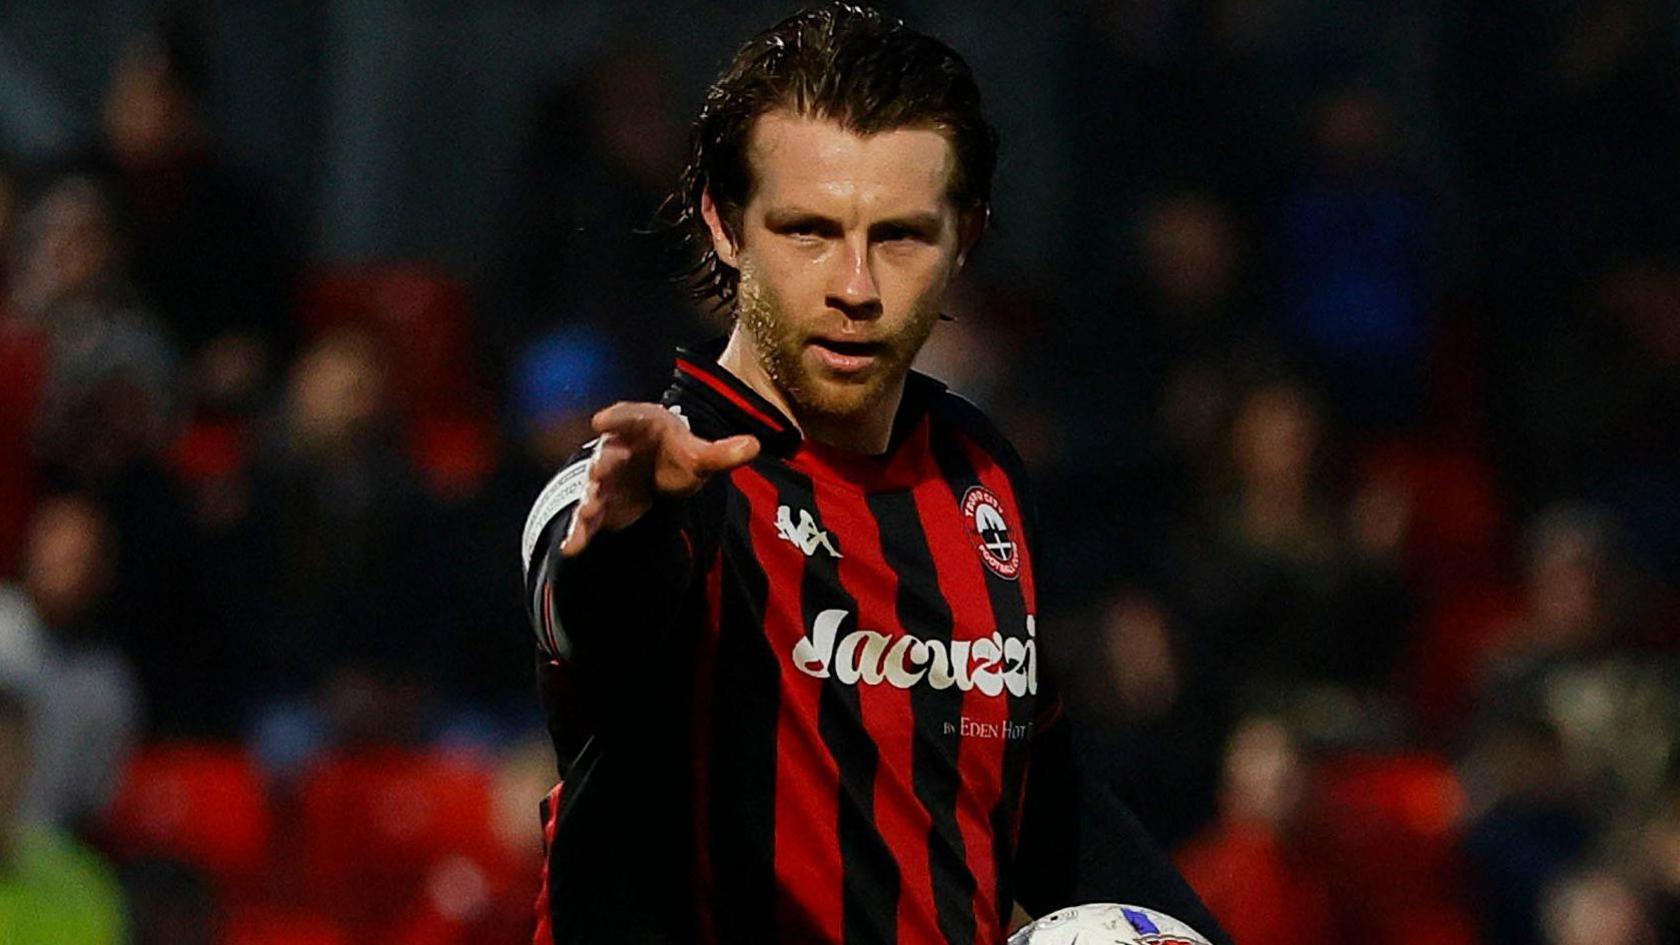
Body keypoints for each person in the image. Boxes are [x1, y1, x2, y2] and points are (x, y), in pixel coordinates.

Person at [519, 5, 1231, 944]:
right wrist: (627, 531)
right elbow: (592, 601)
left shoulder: (979, 473)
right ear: (725, 225)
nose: (854, 286)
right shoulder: (656, 488)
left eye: (899, 236)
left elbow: (1044, 800)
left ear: (966, 236)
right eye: (808, 231)